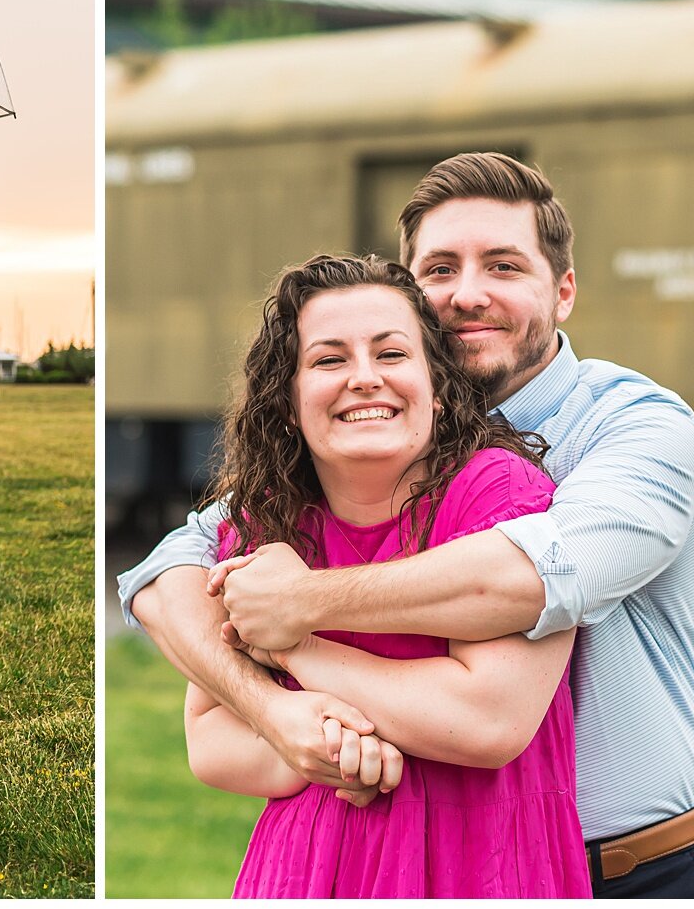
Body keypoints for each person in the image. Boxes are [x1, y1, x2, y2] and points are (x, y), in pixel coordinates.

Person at [118, 153, 694, 897]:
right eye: (440, 269)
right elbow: (170, 569)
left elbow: (527, 579)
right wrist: (275, 710)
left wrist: (297, 614)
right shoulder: (350, 458)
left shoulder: (638, 426)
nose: (468, 294)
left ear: (564, 290)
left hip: (634, 863)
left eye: (503, 266)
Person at [184, 253, 587, 897]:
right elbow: (208, 739)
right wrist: (324, 748)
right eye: (328, 359)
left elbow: (488, 723)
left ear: (436, 384)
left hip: (479, 864)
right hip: (305, 868)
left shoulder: (497, 496)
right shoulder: (270, 522)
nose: (365, 379)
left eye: (392, 354)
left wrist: (295, 644)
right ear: (287, 401)